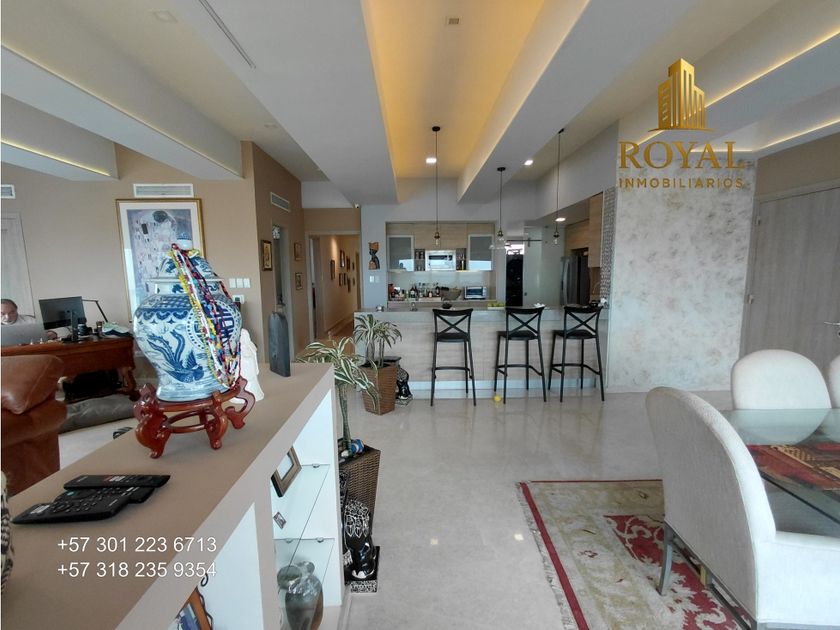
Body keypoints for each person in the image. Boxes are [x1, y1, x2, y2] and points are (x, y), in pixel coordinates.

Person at [1, 298, 65, 340]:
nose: (7, 317)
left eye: (11, 312)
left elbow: (50, 333)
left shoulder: (29, 320)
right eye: (2, 314)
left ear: (16, 309)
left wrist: (51, 333)